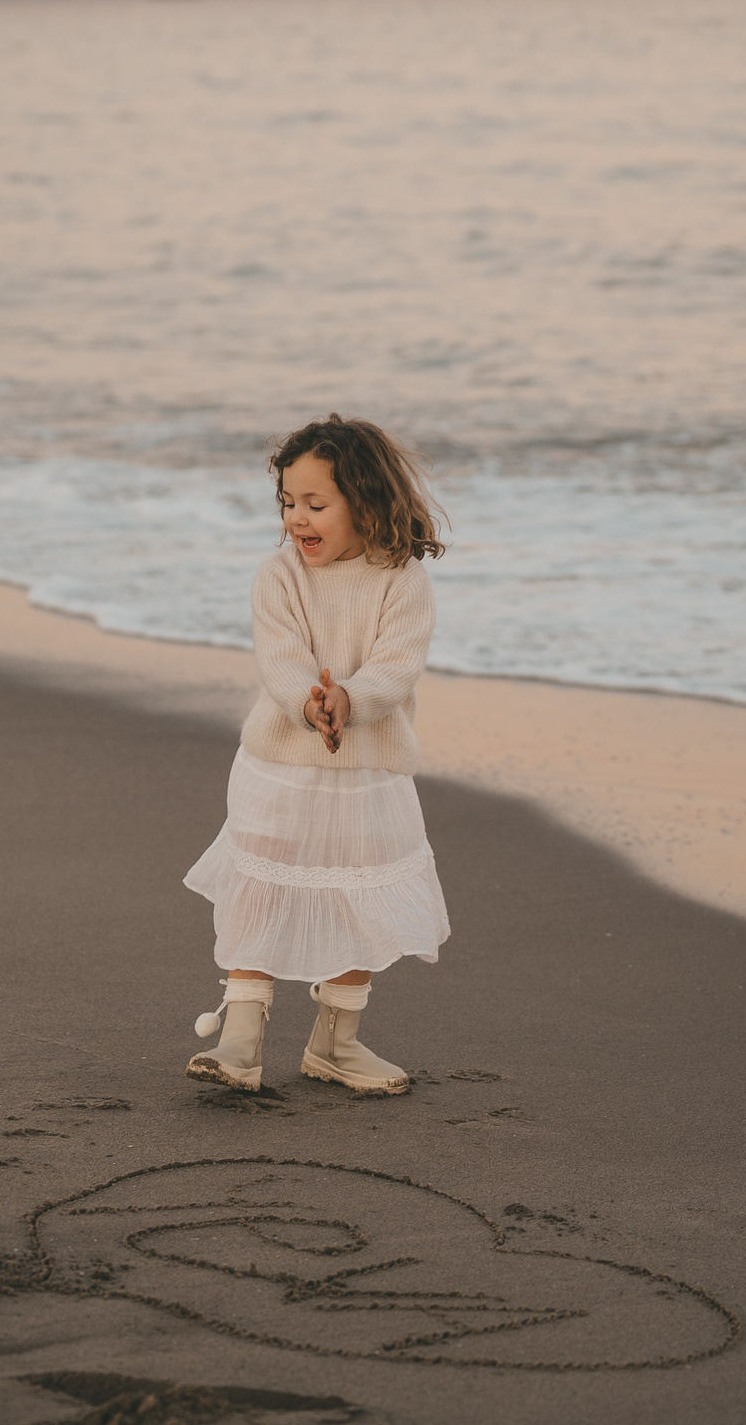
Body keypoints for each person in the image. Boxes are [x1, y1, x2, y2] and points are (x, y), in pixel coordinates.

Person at [185, 416, 451, 1096]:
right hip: (279, 767)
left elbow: (397, 666)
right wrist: (311, 702)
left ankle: (337, 1040)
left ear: (365, 501)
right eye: (288, 502)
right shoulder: (279, 577)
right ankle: (241, 1035)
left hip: (367, 772)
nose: (296, 518)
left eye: (315, 503)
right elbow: (280, 658)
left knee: (358, 896)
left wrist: (350, 698)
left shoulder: (402, 579)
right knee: (260, 886)